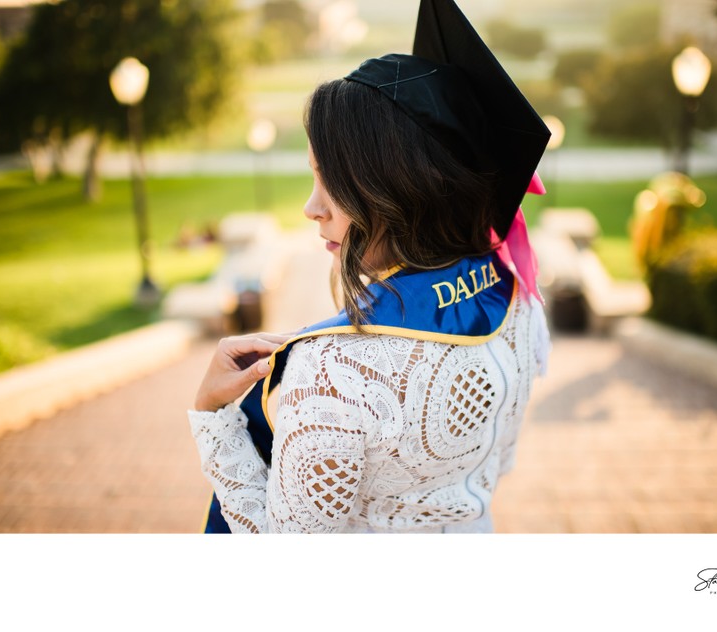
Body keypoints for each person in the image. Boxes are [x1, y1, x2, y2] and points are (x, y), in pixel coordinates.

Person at [188, 0, 552, 533]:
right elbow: (495, 466)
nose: (312, 208)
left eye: (331, 182)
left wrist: (212, 418)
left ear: (400, 191)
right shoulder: (517, 305)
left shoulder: (334, 374)